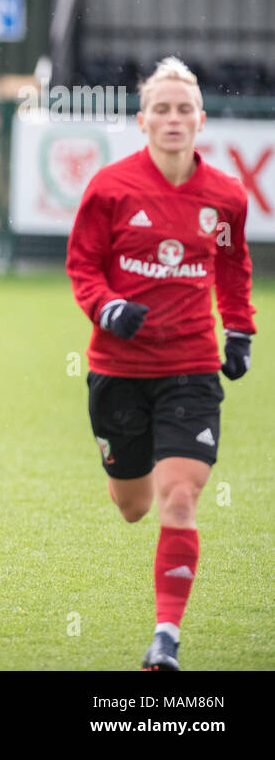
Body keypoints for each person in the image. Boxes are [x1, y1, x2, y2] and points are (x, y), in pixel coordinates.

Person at [66, 56, 255, 671]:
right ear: (142, 119)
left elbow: (231, 268)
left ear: (200, 120)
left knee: (179, 498)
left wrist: (241, 332)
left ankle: (165, 639)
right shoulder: (111, 188)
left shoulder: (225, 196)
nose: (173, 119)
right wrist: (107, 308)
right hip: (118, 372)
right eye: (162, 109)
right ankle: (132, 470)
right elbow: (83, 266)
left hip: (191, 370)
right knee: (134, 505)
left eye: (184, 110)